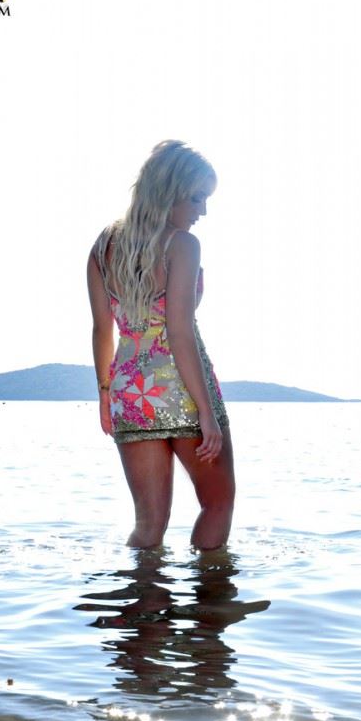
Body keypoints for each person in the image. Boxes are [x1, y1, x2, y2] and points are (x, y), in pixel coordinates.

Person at [87, 140, 235, 550]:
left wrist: (105, 394)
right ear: (170, 190)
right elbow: (179, 331)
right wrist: (206, 412)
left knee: (148, 525)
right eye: (197, 198)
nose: (202, 211)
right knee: (218, 503)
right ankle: (211, 590)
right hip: (181, 390)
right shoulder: (182, 245)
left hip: (130, 394)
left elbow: (102, 330)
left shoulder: (103, 247)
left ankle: (143, 592)